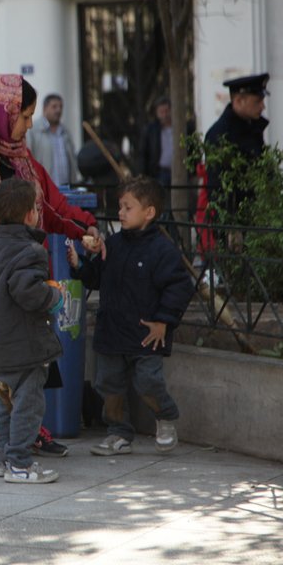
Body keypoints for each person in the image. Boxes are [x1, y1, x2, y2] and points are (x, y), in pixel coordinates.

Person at [0, 73, 104, 462]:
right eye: (23, 116)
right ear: (0, 111)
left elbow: (52, 207)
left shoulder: (21, 158)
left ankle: (25, 431)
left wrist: (85, 228)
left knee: (25, 361)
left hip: (20, 282)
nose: (28, 125)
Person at [67, 176, 193, 455]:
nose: (120, 213)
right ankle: (118, 433)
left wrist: (163, 321)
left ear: (149, 213)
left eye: (127, 207)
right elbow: (97, 279)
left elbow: (179, 286)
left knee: (148, 381)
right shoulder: (112, 244)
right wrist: (80, 265)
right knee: (107, 384)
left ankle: (165, 416)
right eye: (119, 207)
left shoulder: (162, 250)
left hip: (146, 334)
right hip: (111, 332)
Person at [0, 178, 65, 484]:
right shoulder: (30, 251)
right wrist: (55, 296)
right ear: (30, 215)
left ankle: (2, 459)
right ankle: (20, 464)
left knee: (5, 408)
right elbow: (29, 293)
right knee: (28, 407)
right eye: (35, 207)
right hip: (25, 348)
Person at [202, 73, 269, 217]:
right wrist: (230, 225)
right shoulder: (220, 135)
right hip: (236, 220)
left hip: (258, 215)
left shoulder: (253, 127)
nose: (263, 106)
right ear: (239, 101)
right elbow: (218, 186)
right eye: (258, 101)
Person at [26, 93, 78, 187]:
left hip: (66, 190)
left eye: (61, 107)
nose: (58, 110)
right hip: (44, 189)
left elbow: (73, 162)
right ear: (45, 109)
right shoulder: (34, 130)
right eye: (54, 107)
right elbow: (28, 160)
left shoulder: (65, 132)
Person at [138, 96, 174, 187]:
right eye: (161, 112)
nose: (165, 115)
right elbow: (144, 153)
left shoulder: (181, 128)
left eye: (167, 111)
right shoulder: (151, 130)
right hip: (160, 172)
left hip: (178, 170)